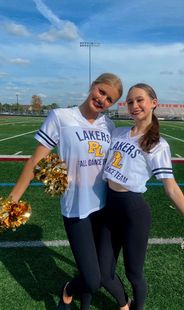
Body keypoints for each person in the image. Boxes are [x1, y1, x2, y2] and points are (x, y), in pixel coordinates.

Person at [8, 73, 123, 310]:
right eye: (101, 92)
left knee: (101, 273)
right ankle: (68, 290)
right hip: (76, 207)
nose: (102, 100)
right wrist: (11, 201)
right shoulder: (61, 117)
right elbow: (34, 163)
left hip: (104, 208)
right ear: (93, 86)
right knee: (91, 280)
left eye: (109, 99)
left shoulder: (108, 125)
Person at [99, 83, 184, 310]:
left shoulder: (157, 144)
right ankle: (123, 304)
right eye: (129, 102)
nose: (134, 105)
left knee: (133, 274)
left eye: (139, 100)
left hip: (133, 213)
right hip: (110, 210)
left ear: (153, 103)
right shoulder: (118, 133)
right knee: (103, 274)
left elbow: (171, 188)